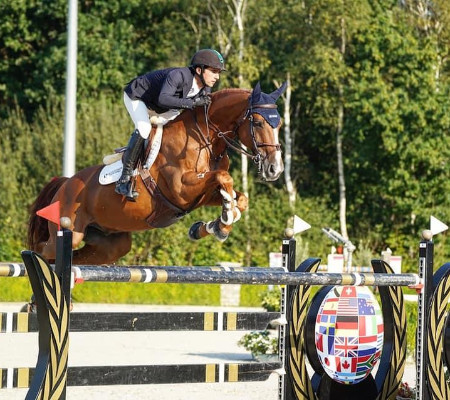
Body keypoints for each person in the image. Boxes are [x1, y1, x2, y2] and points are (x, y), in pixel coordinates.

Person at [115, 49, 226, 201]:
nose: (217, 77)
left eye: (218, 72)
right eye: (213, 71)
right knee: (144, 128)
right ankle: (123, 179)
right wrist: (192, 103)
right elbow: (163, 99)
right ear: (199, 70)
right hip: (139, 98)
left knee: (177, 129)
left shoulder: (205, 86)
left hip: (162, 108)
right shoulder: (178, 76)